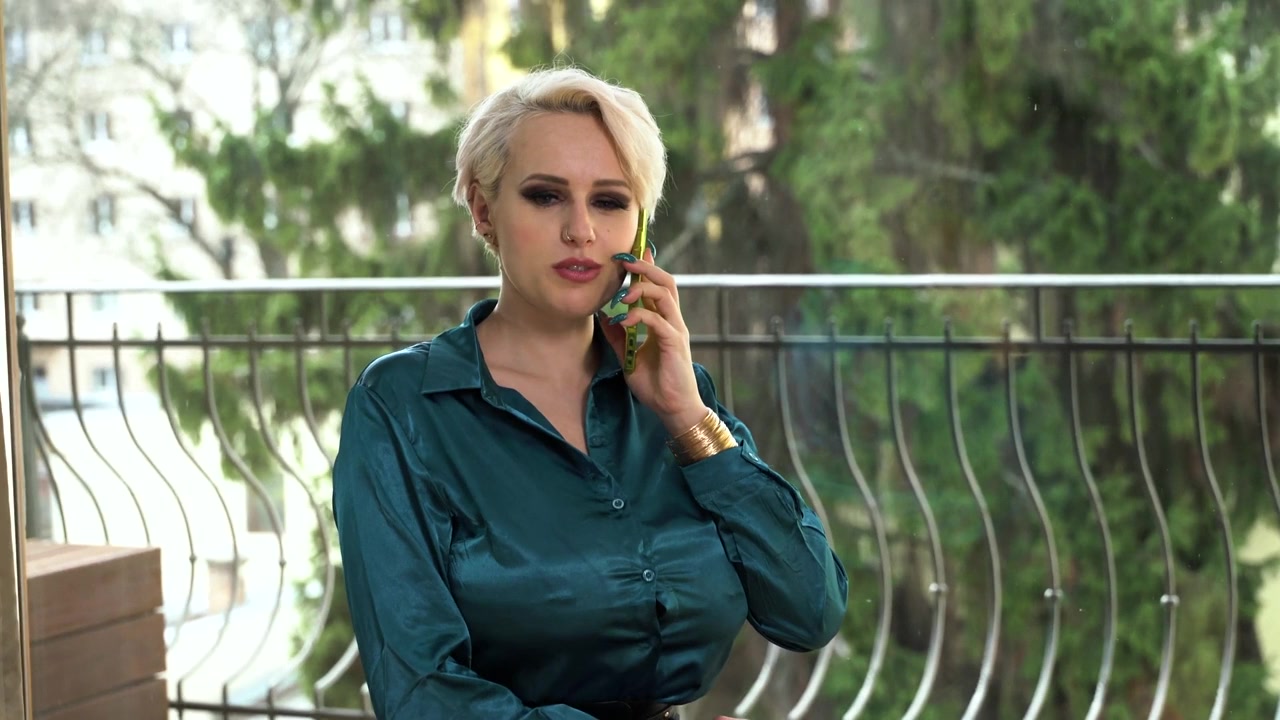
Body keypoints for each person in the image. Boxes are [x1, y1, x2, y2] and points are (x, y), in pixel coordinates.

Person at [331, 66, 848, 720]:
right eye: (546, 196)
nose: (581, 230)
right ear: (484, 211)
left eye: (609, 202)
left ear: (639, 231)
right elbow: (419, 693)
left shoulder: (677, 399)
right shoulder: (402, 407)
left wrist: (688, 418)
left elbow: (810, 610)